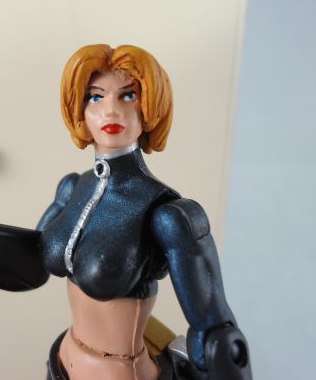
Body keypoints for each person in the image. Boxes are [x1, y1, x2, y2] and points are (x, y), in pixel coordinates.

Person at [35, 44, 251, 380]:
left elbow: (216, 333)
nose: (111, 110)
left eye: (127, 96)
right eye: (95, 97)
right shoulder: (72, 188)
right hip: (61, 362)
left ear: (150, 106)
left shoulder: (167, 213)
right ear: (79, 108)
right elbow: (25, 265)